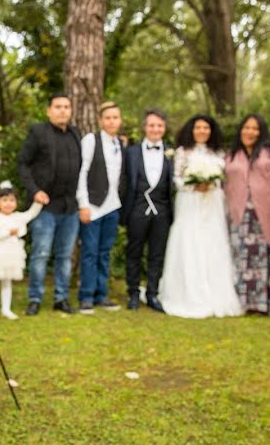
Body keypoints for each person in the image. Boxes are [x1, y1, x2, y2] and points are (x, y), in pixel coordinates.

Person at [159, 115, 243, 318]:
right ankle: (187, 292)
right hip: (190, 201)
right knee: (189, 241)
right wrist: (194, 184)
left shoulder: (219, 153)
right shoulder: (182, 152)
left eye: (206, 128)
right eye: (198, 127)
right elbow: (177, 180)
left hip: (212, 201)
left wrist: (210, 183)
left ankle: (215, 293)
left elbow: (223, 180)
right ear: (191, 129)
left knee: (212, 242)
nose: (202, 131)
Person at [18, 93, 82, 315]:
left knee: (65, 256)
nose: (62, 110)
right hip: (45, 207)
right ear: (49, 110)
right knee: (41, 254)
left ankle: (61, 298)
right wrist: (35, 191)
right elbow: (23, 164)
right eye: (58, 106)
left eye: (66, 106)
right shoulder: (38, 132)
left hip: (70, 207)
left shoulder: (76, 134)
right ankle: (35, 299)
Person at [224, 114, 270, 315]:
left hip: (263, 212)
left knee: (262, 257)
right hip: (238, 212)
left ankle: (263, 304)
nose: (250, 132)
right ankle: (241, 303)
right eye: (246, 127)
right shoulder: (231, 155)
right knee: (240, 256)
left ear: (261, 132)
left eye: (255, 129)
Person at [121, 108, 174, 312]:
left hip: (162, 210)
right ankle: (133, 293)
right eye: (151, 125)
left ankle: (152, 293)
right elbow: (125, 181)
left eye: (159, 125)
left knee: (157, 254)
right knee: (134, 252)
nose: (155, 129)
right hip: (137, 209)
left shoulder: (171, 153)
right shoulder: (131, 152)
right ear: (145, 127)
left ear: (164, 128)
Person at [76, 101, 124, 314]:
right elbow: (82, 172)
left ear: (120, 120)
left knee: (104, 253)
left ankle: (101, 294)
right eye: (108, 118)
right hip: (93, 206)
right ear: (100, 120)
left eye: (115, 117)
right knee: (89, 253)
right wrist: (83, 204)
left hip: (113, 206)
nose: (112, 121)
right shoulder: (90, 140)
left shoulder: (120, 143)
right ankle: (86, 296)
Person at [0, 181, 43, 320]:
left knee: (7, 282)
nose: (9, 203)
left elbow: (31, 214)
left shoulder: (17, 217)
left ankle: (6, 309)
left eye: (12, 200)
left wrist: (38, 203)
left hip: (11, 257)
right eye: (5, 200)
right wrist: (7, 232)